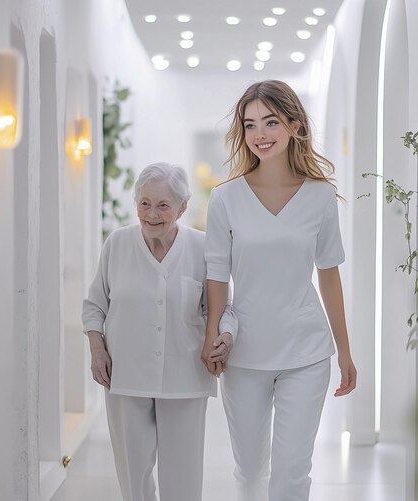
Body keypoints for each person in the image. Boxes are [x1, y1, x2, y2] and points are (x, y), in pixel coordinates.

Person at [201, 80, 357, 501]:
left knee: (291, 474)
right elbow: (216, 274)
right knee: (251, 473)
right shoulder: (226, 198)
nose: (261, 134)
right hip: (244, 353)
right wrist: (212, 335)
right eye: (250, 125)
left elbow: (329, 274)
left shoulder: (321, 197)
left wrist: (343, 350)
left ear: (293, 125)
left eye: (271, 122)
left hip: (306, 352)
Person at [82, 162, 237, 501]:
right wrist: (97, 351)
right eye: (144, 203)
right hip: (125, 376)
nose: (151, 214)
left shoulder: (203, 247)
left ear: (182, 207)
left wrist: (224, 337)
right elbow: (95, 305)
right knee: (133, 476)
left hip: (185, 377)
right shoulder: (117, 244)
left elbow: (222, 308)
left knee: (183, 477)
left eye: (164, 205)